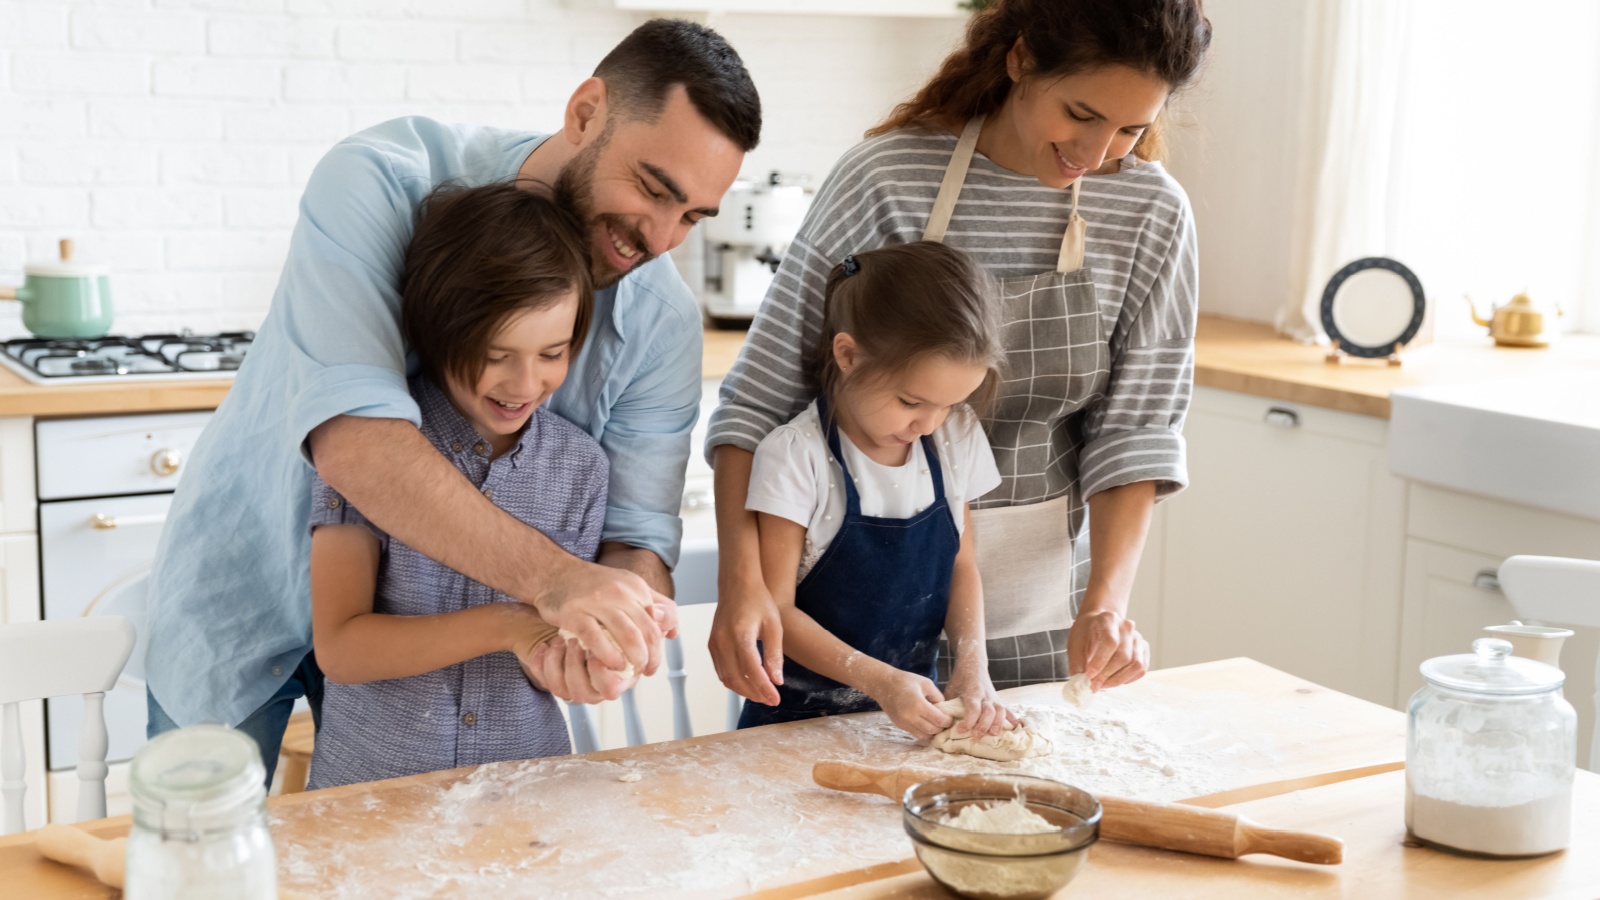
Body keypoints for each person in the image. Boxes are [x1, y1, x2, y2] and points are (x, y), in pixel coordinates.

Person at [144, 18, 762, 783]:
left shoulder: (660, 320)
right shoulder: (379, 180)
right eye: (652, 189)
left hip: (446, 689)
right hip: (245, 589)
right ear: (585, 112)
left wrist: (605, 639)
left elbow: (634, 543)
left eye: (694, 216)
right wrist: (554, 586)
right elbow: (359, 447)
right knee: (192, 859)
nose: (663, 238)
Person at [707, 0, 1211, 707]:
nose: (1097, 155)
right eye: (1082, 113)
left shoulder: (1151, 212)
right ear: (1021, 59)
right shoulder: (888, 178)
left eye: (1132, 129)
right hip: (851, 631)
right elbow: (758, 402)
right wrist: (743, 585)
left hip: (1046, 618)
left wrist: (1105, 605)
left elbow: (1136, 434)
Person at [306, 182, 625, 789]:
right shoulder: (374, 452)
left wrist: (578, 663)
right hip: (375, 788)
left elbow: (548, 651)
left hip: (525, 786)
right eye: (496, 354)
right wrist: (510, 626)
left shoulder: (581, 468)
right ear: (437, 333)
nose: (525, 383)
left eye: (553, 352)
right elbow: (341, 648)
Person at [737, 242, 1019, 740]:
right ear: (847, 355)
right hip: (793, 726)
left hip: (910, 723)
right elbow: (776, 609)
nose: (928, 423)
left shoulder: (954, 438)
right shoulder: (795, 457)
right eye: (911, 400)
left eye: (950, 405)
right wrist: (881, 681)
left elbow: (961, 565)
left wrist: (973, 666)